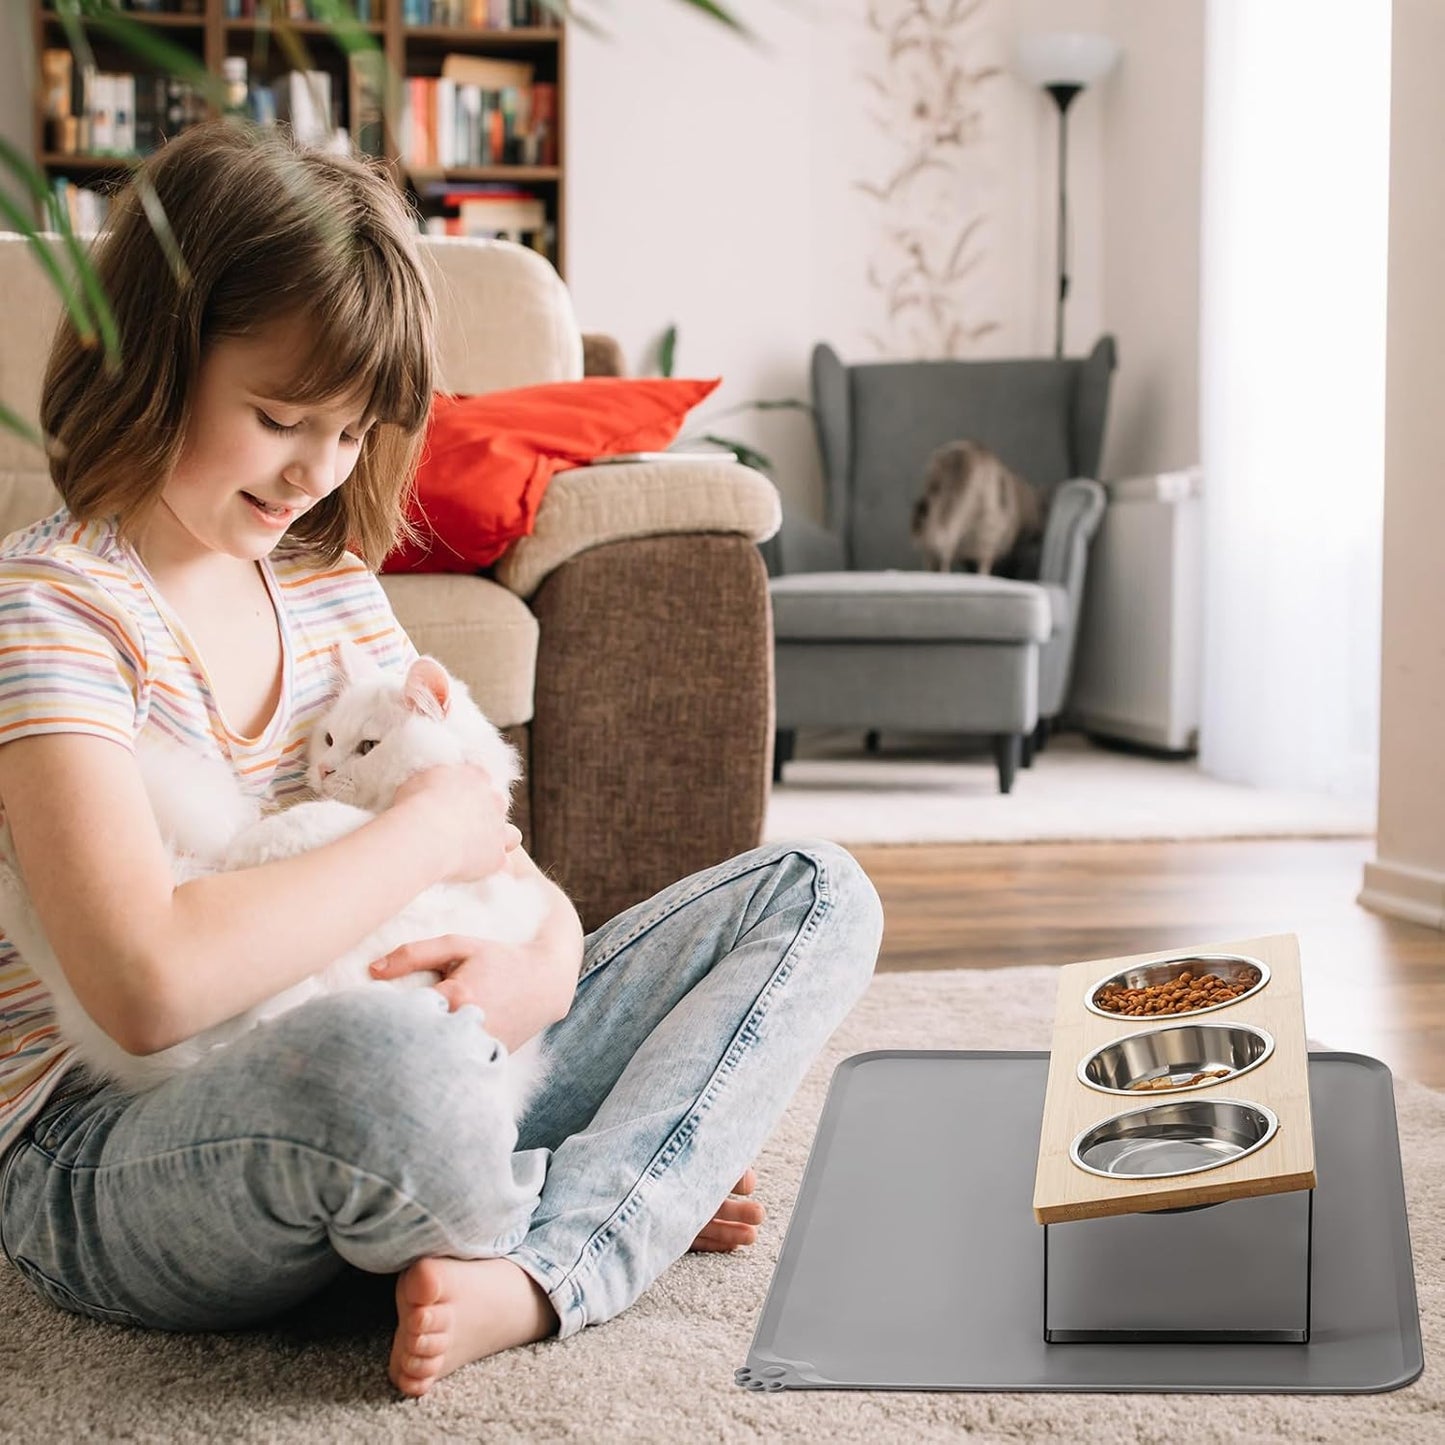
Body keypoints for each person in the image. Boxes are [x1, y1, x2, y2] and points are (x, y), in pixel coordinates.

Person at [0, 122, 883, 1398]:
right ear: (153, 358)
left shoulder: (332, 591)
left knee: (812, 888)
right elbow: (146, 985)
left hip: (457, 1051)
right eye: (280, 416)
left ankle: (537, 1252)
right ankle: (613, 1184)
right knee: (392, 1072)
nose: (317, 469)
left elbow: (522, 886)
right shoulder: (52, 607)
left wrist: (534, 968)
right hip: (124, 1143)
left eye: (355, 433)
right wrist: (425, 830)